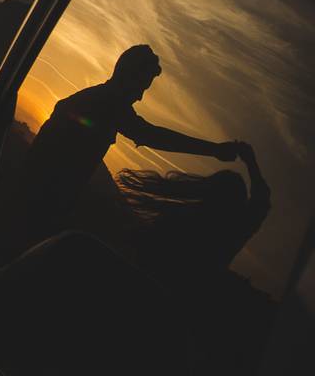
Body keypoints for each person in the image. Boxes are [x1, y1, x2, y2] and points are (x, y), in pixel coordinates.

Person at [14, 44, 242, 253]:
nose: (141, 96)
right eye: (142, 86)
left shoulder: (95, 99)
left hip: (37, 203)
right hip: (37, 208)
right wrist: (213, 150)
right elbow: (150, 135)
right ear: (128, 75)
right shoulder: (106, 103)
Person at [116, 141, 270, 281]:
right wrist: (250, 161)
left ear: (209, 192)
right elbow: (262, 200)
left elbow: (146, 251)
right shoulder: (236, 230)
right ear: (239, 201)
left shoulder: (181, 218)